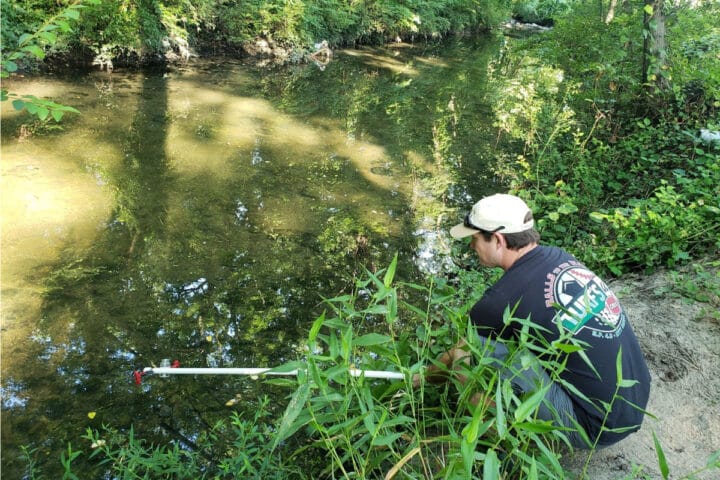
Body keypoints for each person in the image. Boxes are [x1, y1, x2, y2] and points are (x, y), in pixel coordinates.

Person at [414, 193, 651, 448]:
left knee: (468, 353)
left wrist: (423, 378)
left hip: (594, 427)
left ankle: (493, 440)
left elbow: (461, 351)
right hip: (635, 402)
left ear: (497, 239)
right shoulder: (560, 257)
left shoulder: (498, 303)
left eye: (474, 239)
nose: (472, 247)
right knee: (501, 345)